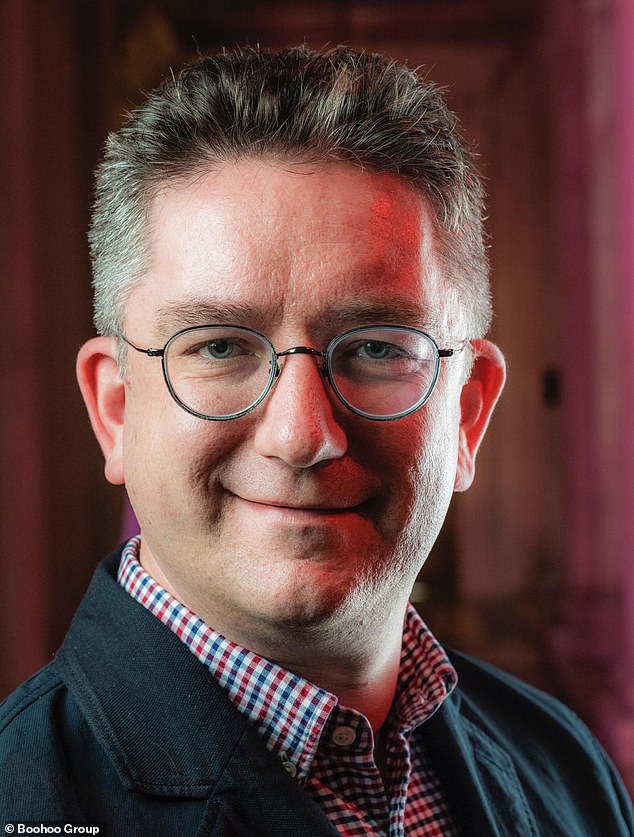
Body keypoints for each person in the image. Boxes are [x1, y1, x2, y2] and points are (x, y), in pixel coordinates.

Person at [0, 45, 631, 836]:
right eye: (220, 346)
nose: (302, 436)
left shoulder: (568, 771)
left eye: (377, 348)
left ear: (468, 413)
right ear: (115, 408)